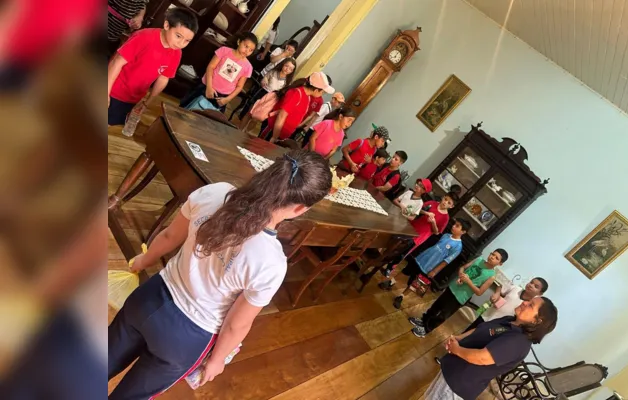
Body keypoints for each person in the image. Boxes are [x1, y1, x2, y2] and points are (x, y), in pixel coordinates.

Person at [108, 150, 333, 399]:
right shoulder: (272, 263)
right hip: (186, 338)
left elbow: (169, 236)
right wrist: (217, 360)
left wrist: (142, 260)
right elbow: (237, 324)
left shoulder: (215, 192)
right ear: (301, 208)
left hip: (150, 297)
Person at [426, 297, 558, 400]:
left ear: (537, 321)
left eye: (530, 305)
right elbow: (482, 329)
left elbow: (482, 358)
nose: (524, 302)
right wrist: (458, 338)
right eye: (528, 301)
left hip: (459, 383)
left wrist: (457, 349)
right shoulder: (510, 321)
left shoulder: (519, 341)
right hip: (452, 368)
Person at [107, 7, 198, 126]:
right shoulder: (144, 37)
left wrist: (147, 102)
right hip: (114, 91)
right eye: (178, 36)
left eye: (187, 41)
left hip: (134, 98)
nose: (181, 44)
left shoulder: (177, 52)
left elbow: (163, 78)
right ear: (166, 25)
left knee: (116, 125)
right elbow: (116, 63)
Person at [410, 249, 506, 338]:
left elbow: (479, 292)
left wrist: (468, 281)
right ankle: (423, 320)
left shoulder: (491, 276)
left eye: (496, 258)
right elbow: (463, 268)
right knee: (437, 305)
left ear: (500, 264)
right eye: (492, 254)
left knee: (443, 314)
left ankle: (427, 329)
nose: (492, 257)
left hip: (461, 297)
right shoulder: (479, 260)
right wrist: (460, 276)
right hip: (453, 287)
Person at [388, 218, 471, 309]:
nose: (453, 226)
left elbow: (446, 261)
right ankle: (390, 282)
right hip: (422, 258)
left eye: (457, 226)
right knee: (405, 271)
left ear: (463, 231)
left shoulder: (458, 247)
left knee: (416, 283)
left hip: (430, 267)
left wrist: (434, 271)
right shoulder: (446, 235)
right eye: (454, 224)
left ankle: (401, 297)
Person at [379, 192, 458, 278]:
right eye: (445, 199)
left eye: (449, 202)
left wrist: (433, 222)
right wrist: (426, 213)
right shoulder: (432, 203)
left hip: (418, 237)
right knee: (392, 242)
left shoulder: (445, 218)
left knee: (402, 252)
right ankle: (380, 260)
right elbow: (418, 209)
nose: (445, 202)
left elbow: (437, 232)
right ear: (443, 197)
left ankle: (390, 268)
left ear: (451, 206)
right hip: (409, 226)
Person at [180, 32, 257, 112]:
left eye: (251, 50)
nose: (247, 51)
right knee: (185, 109)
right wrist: (209, 87)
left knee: (207, 119)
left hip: (222, 97)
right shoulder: (224, 51)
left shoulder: (248, 67)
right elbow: (211, 67)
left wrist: (227, 99)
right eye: (246, 46)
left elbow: (239, 86)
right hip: (206, 86)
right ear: (239, 42)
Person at [260, 72, 334, 143]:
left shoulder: (308, 97)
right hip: (273, 131)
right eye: (322, 92)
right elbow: (282, 116)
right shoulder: (296, 93)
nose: (322, 94)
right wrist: (274, 136)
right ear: (316, 90)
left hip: (283, 135)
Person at [463, 277, 549, 334]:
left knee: (479, 340)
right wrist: (497, 293)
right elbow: (500, 286)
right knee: (469, 332)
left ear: (540, 293)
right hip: (486, 316)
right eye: (531, 282)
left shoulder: (529, 306)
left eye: (536, 286)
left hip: (498, 327)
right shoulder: (516, 288)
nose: (531, 285)